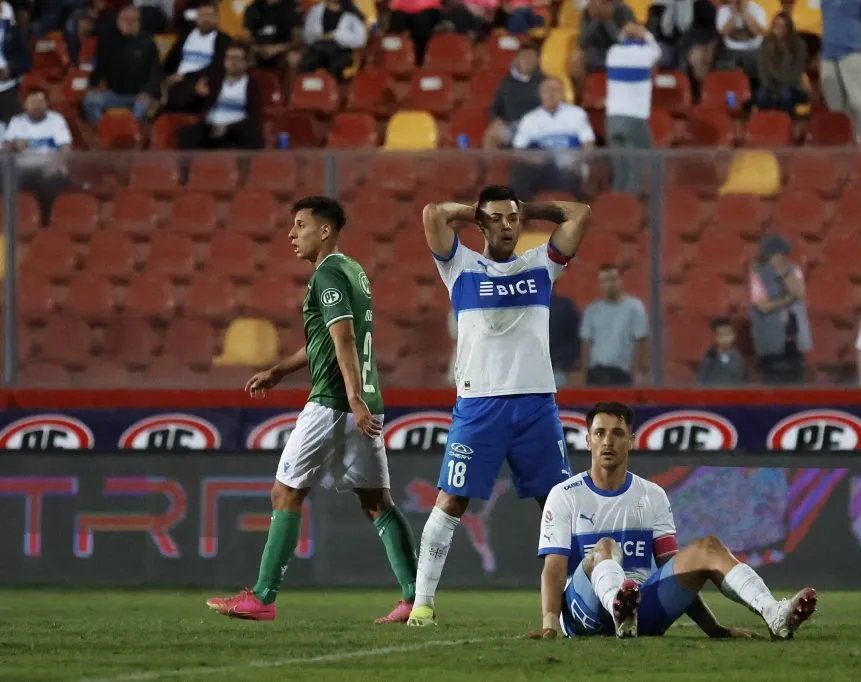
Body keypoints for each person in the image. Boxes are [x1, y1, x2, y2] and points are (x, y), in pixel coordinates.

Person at [206, 197, 420, 625]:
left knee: (285, 493)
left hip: (333, 402)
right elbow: (328, 338)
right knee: (378, 501)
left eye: (300, 225)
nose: (292, 233)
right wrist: (279, 370)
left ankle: (264, 596)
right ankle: (417, 598)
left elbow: (342, 339)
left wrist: (353, 399)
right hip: (363, 400)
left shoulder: (326, 274)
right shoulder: (353, 271)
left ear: (325, 231)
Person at [408, 186, 592, 626]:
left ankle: (580, 606)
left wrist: (527, 209)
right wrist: (477, 211)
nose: (507, 225)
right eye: (497, 219)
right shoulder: (459, 266)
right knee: (450, 503)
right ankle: (422, 603)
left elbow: (579, 213)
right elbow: (433, 211)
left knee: (556, 506)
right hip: (478, 405)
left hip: (535, 405)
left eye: (514, 219)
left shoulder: (542, 265)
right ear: (481, 223)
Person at [529, 401, 817, 639]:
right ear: (588, 439)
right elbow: (554, 569)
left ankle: (774, 614)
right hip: (584, 615)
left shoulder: (652, 495)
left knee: (708, 547)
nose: (608, 441)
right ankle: (619, 607)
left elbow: (673, 571)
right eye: (600, 433)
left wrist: (714, 630)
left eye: (617, 433)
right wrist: (549, 624)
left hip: (642, 614)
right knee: (605, 547)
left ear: (631, 441)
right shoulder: (565, 495)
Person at [511, 76, 596, 198]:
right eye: (547, 90)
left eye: (555, 90)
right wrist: (535, 160)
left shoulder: (576, 114)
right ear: (540, 93)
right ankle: (522, 212)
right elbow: (517, 151)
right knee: (519, 172)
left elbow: (589, 144)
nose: (551, 94)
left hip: (570, 169)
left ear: (562, 93)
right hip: (541, 170)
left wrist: (579, 162)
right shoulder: (529, 119)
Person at [748, 234, 811, 385]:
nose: (777, 257)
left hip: (793, 338)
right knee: (772, 383)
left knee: (796, 382)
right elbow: (762, 306)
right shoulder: (757, 273)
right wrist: (786, 300)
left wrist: (783, 273)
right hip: (770, 338)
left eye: (780, 253)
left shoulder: (793, 270)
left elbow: (799, 292)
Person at [82, 5, 162, 124]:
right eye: (125, 20)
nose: (129, 23)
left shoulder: (147, 42)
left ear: (139, 22)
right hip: (116, 93)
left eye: (133, 20)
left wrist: (148, 92)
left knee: (140, 110)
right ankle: (102, 132)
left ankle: (134, 138)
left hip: (140, 94)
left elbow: (156, 72)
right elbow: (100, 67)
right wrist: (94, 84)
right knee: (89, 100)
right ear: (118, 21)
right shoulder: (108, 40)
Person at [3, 87, 72, 223]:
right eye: (33, 102)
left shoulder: (56, 120)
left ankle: (45, 224)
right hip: (22, 170)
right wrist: (15, 144)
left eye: (41, 102)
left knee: (48, 183)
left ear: (47, 104)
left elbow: (66, 149)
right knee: (5, 180)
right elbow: (5, 149)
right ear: (25, 104)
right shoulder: (17, 121)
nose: (37, 106)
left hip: (48, 169)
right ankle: (12, 223)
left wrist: (55, 166)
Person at [605, 22, 661, 192]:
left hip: (612, 119)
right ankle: (629, 212)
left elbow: (621, 39)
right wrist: (646, 33)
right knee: (636, 172)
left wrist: (628, 32)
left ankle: (616, 209)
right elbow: (658, 52)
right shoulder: (645, 53)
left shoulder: (613, 52)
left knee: (620, 172)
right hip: (634, 119)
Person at [176, 43, 264, 150]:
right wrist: (196, 93)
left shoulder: (251, 85)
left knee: (253, 134)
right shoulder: (214, 80)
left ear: (245, 62)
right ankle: (190, 167)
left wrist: (228, 128)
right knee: (187, 133)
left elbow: (254, 116)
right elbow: (187, 105)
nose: (233, 62)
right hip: (210, 128)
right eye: (229, 58)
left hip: (236, 130)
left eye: (237, 59)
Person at [580, 264, 650, 386]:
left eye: (613, 279)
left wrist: (639, 372)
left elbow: (641, 342)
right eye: (604, 281)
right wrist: (584, 375)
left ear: (621, 281)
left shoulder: (635, 308)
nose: (609, 285)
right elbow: (586, 344)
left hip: (622, 374)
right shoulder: (592, 310)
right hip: (596, 373)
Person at [162, 0, 232, 113]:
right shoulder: (185, 36)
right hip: (177, 82)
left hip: (202, 82)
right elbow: (170, 62)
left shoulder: (224, 41)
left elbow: (218, 66)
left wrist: (186, 76)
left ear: (217, 18)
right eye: (202, 15)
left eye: (209, 15)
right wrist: (167, 78)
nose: (205, 19)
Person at [820, 0, 861, 140]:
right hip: (828, 52)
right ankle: (842, 136)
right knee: (834, 101)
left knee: (856, 100)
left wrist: (860, 37)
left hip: (851, 49)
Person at [483, 41, 545, 150]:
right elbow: (494, 108)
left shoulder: (544, 81)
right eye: (524, 56)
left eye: (531, 57)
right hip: (512, 126)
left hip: (538, 128)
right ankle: (493, 166)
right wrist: (496, 120)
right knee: (491, 136)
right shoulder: (507, 83)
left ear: (537, 60)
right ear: (517, 59)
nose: (528, 60)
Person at [753, 12, 808, 117]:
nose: (778, 29)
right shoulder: (766, 44)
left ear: (789, 28)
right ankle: (764, 124)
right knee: (761, 94)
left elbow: (795, 74)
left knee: (785, 93)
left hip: (793, 87)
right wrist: (771, 86)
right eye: (776, 25)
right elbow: (763, 71)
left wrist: (776, 75)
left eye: (782, 26)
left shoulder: (799, 45)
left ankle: (785, 124)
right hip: (771, 86)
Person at [300, 0, 367, 80]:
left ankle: (333, 90)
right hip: (317, 49)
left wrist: (335, 35)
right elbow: (307, 36)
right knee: (308, 63)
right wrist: (318, 36)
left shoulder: (352, 12)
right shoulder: (315, 10)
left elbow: (361, 39)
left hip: (341, 50)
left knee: (337, 65)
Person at [243, 0, 303, 84]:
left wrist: (277, 49)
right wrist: (258, 49)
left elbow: (297, 40)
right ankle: (249, 92)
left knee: (294, 59)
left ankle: (286, 95)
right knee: (241, 58)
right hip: (258, 50)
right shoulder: (253, 7)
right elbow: (247, 38)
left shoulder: (292, 7)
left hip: (283, 50)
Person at [714, 0, 767, 82]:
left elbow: (756, 31)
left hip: (753, 49)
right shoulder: (724, 10)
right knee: (723, 69)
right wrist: (734, 14)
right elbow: (724, 32)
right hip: (730, 49)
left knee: (759, 71)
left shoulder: (758, 9)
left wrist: (744, 12)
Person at [0, 0, 31, 124]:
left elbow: (26, 61)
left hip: (6, 89)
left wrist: (10, 70)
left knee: (13, 135)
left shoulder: (12, 32)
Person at [697, 317, 746, 385]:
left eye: (728, 334)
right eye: (721, 335)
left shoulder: (738, 357)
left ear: (734, 336)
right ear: (715, 337)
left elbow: (741, 379)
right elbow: (702, 380)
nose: (725, 338)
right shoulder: (709, 357)